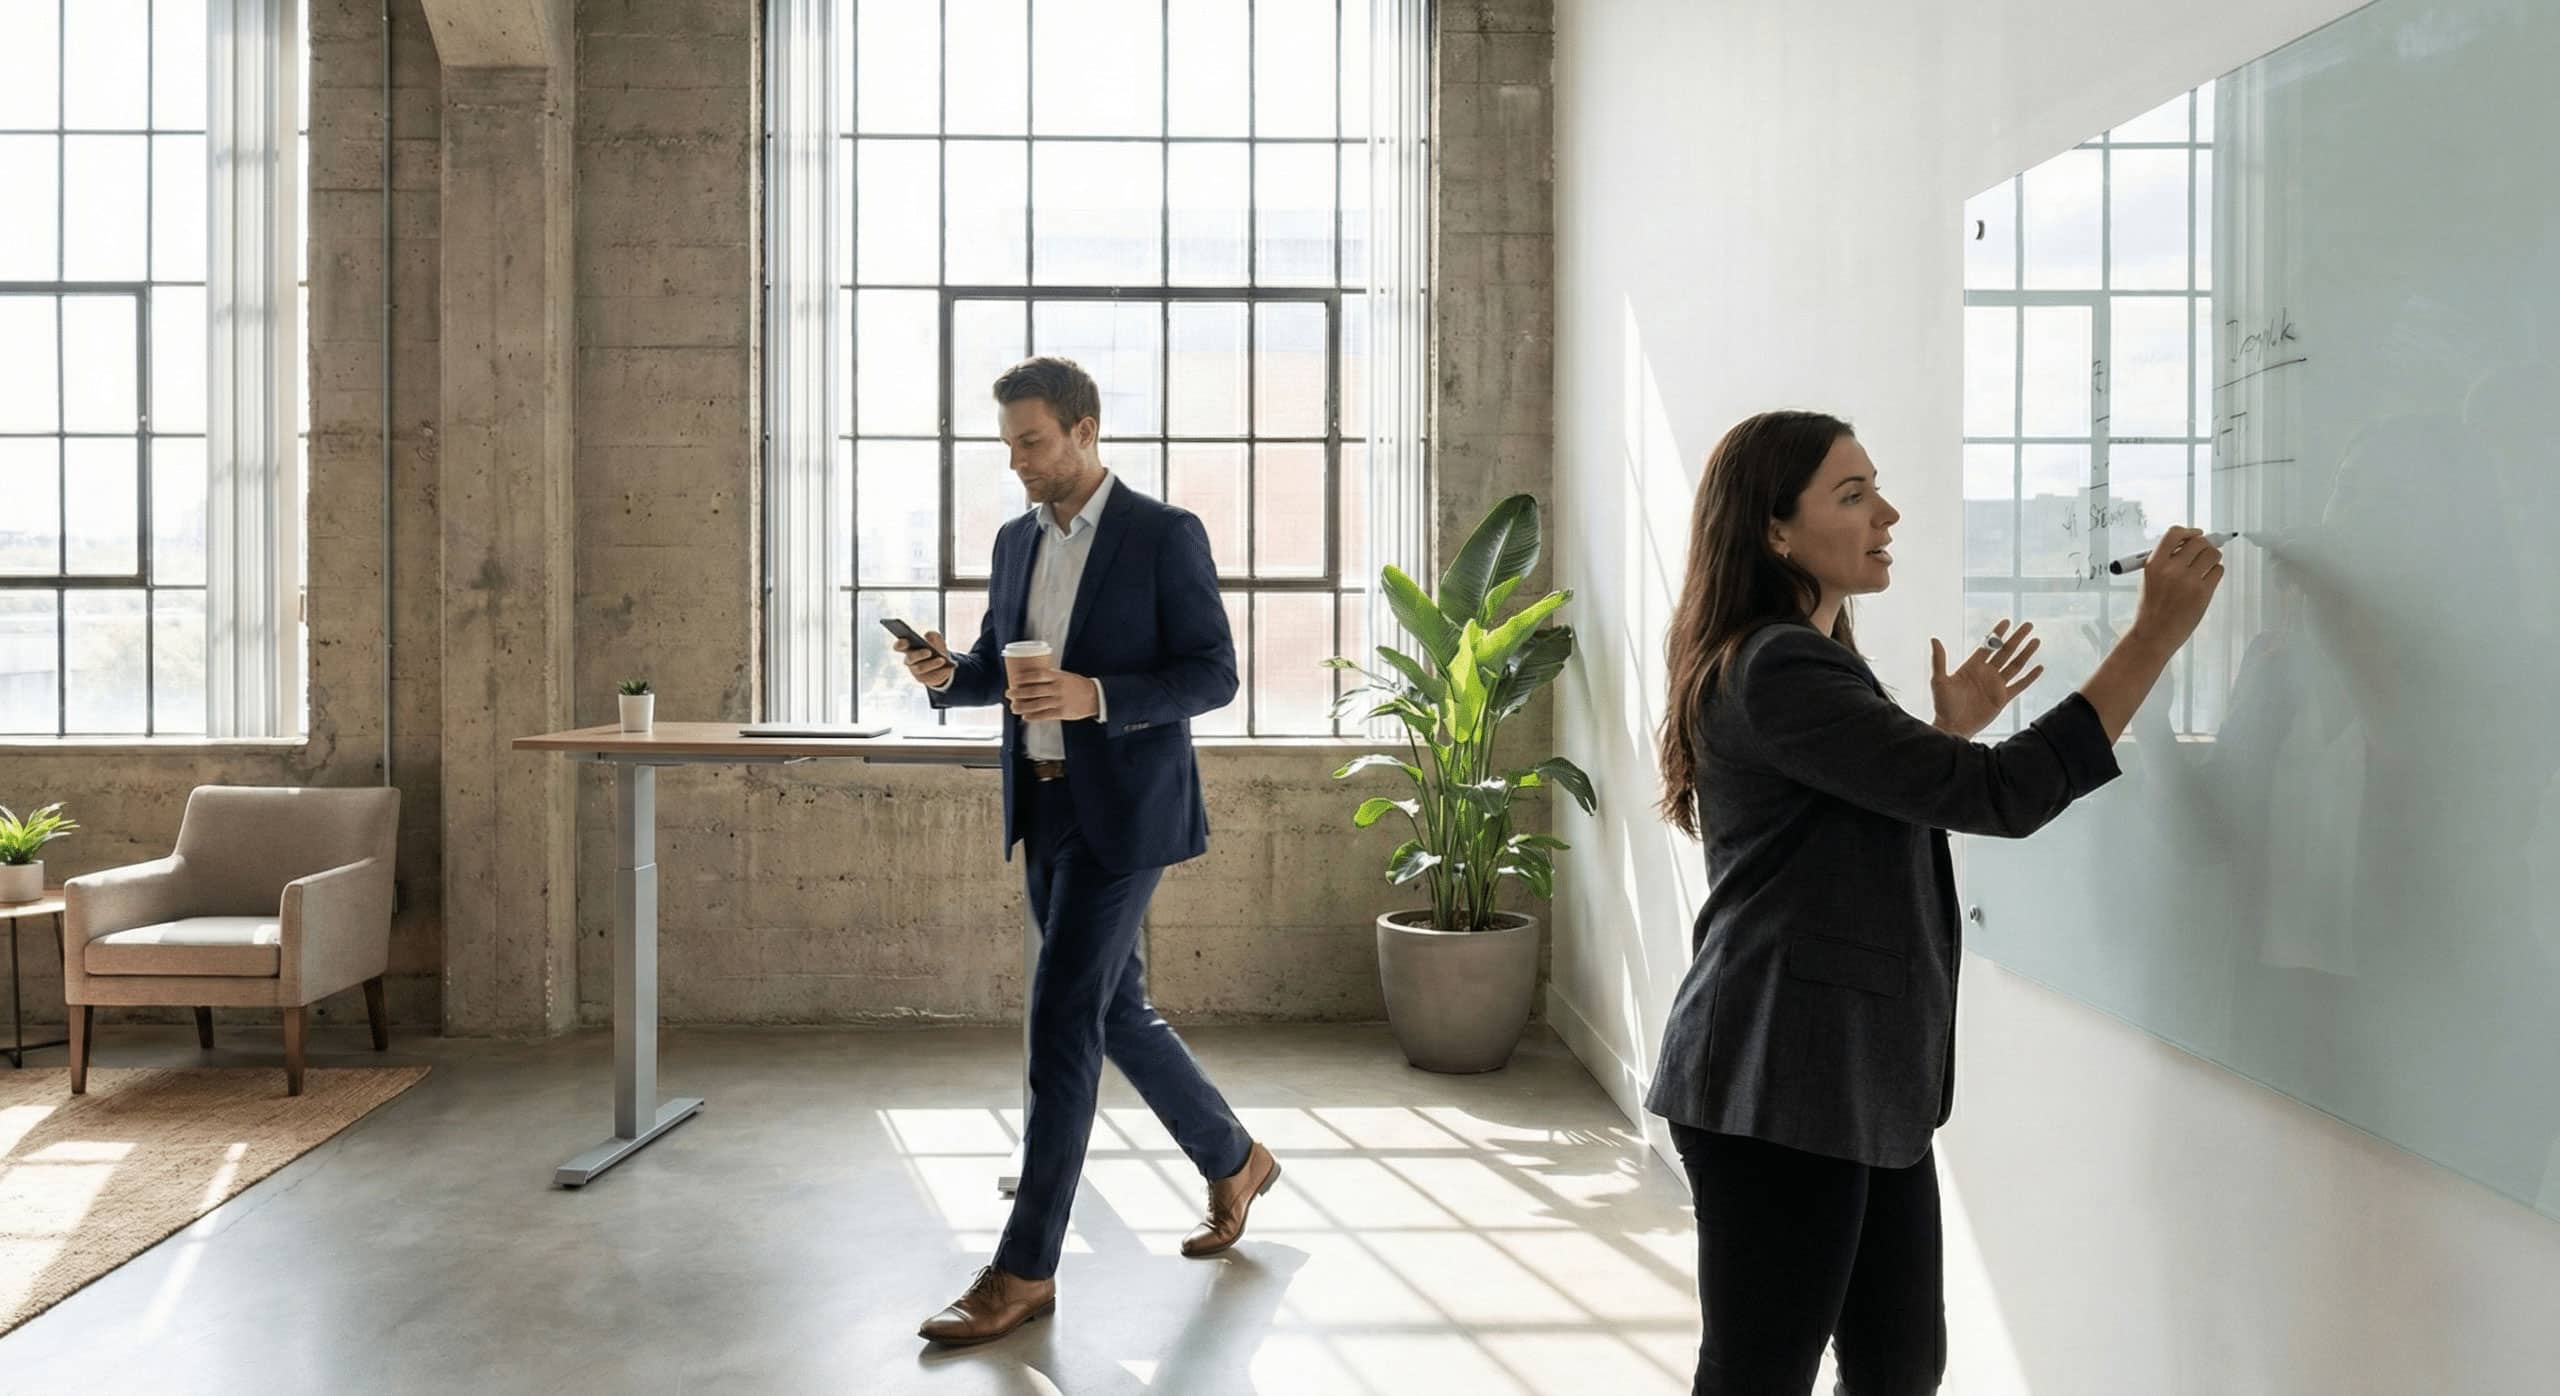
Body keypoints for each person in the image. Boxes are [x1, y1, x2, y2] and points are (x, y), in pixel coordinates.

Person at [1646, 410, 2222, 1394]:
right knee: (1759, 1370)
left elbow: (1858, 810)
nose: (1888, 512)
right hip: (1780, 1076)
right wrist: (2152, 638)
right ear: (1774, 530)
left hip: (1847, 1075)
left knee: (1900, 1360)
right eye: (1853, 493)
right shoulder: (1779, 663)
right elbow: (1998, 794)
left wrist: (1942, 735)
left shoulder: (1806, 657)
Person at [897, 356, 1282, 1347]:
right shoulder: (1013, 542)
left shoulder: (1163, 535)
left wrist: (1096, 695)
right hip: (1044, 805)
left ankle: (1023, 1269)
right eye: (1009, 446)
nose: (1018, 462)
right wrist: (946, 673)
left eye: (1032, 440)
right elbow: (997, 668)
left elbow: (1213, 673)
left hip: (1128, 809)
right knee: (1113, 1006)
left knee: (1062, 1012)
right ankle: (1233, 1156)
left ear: (1083, 428)